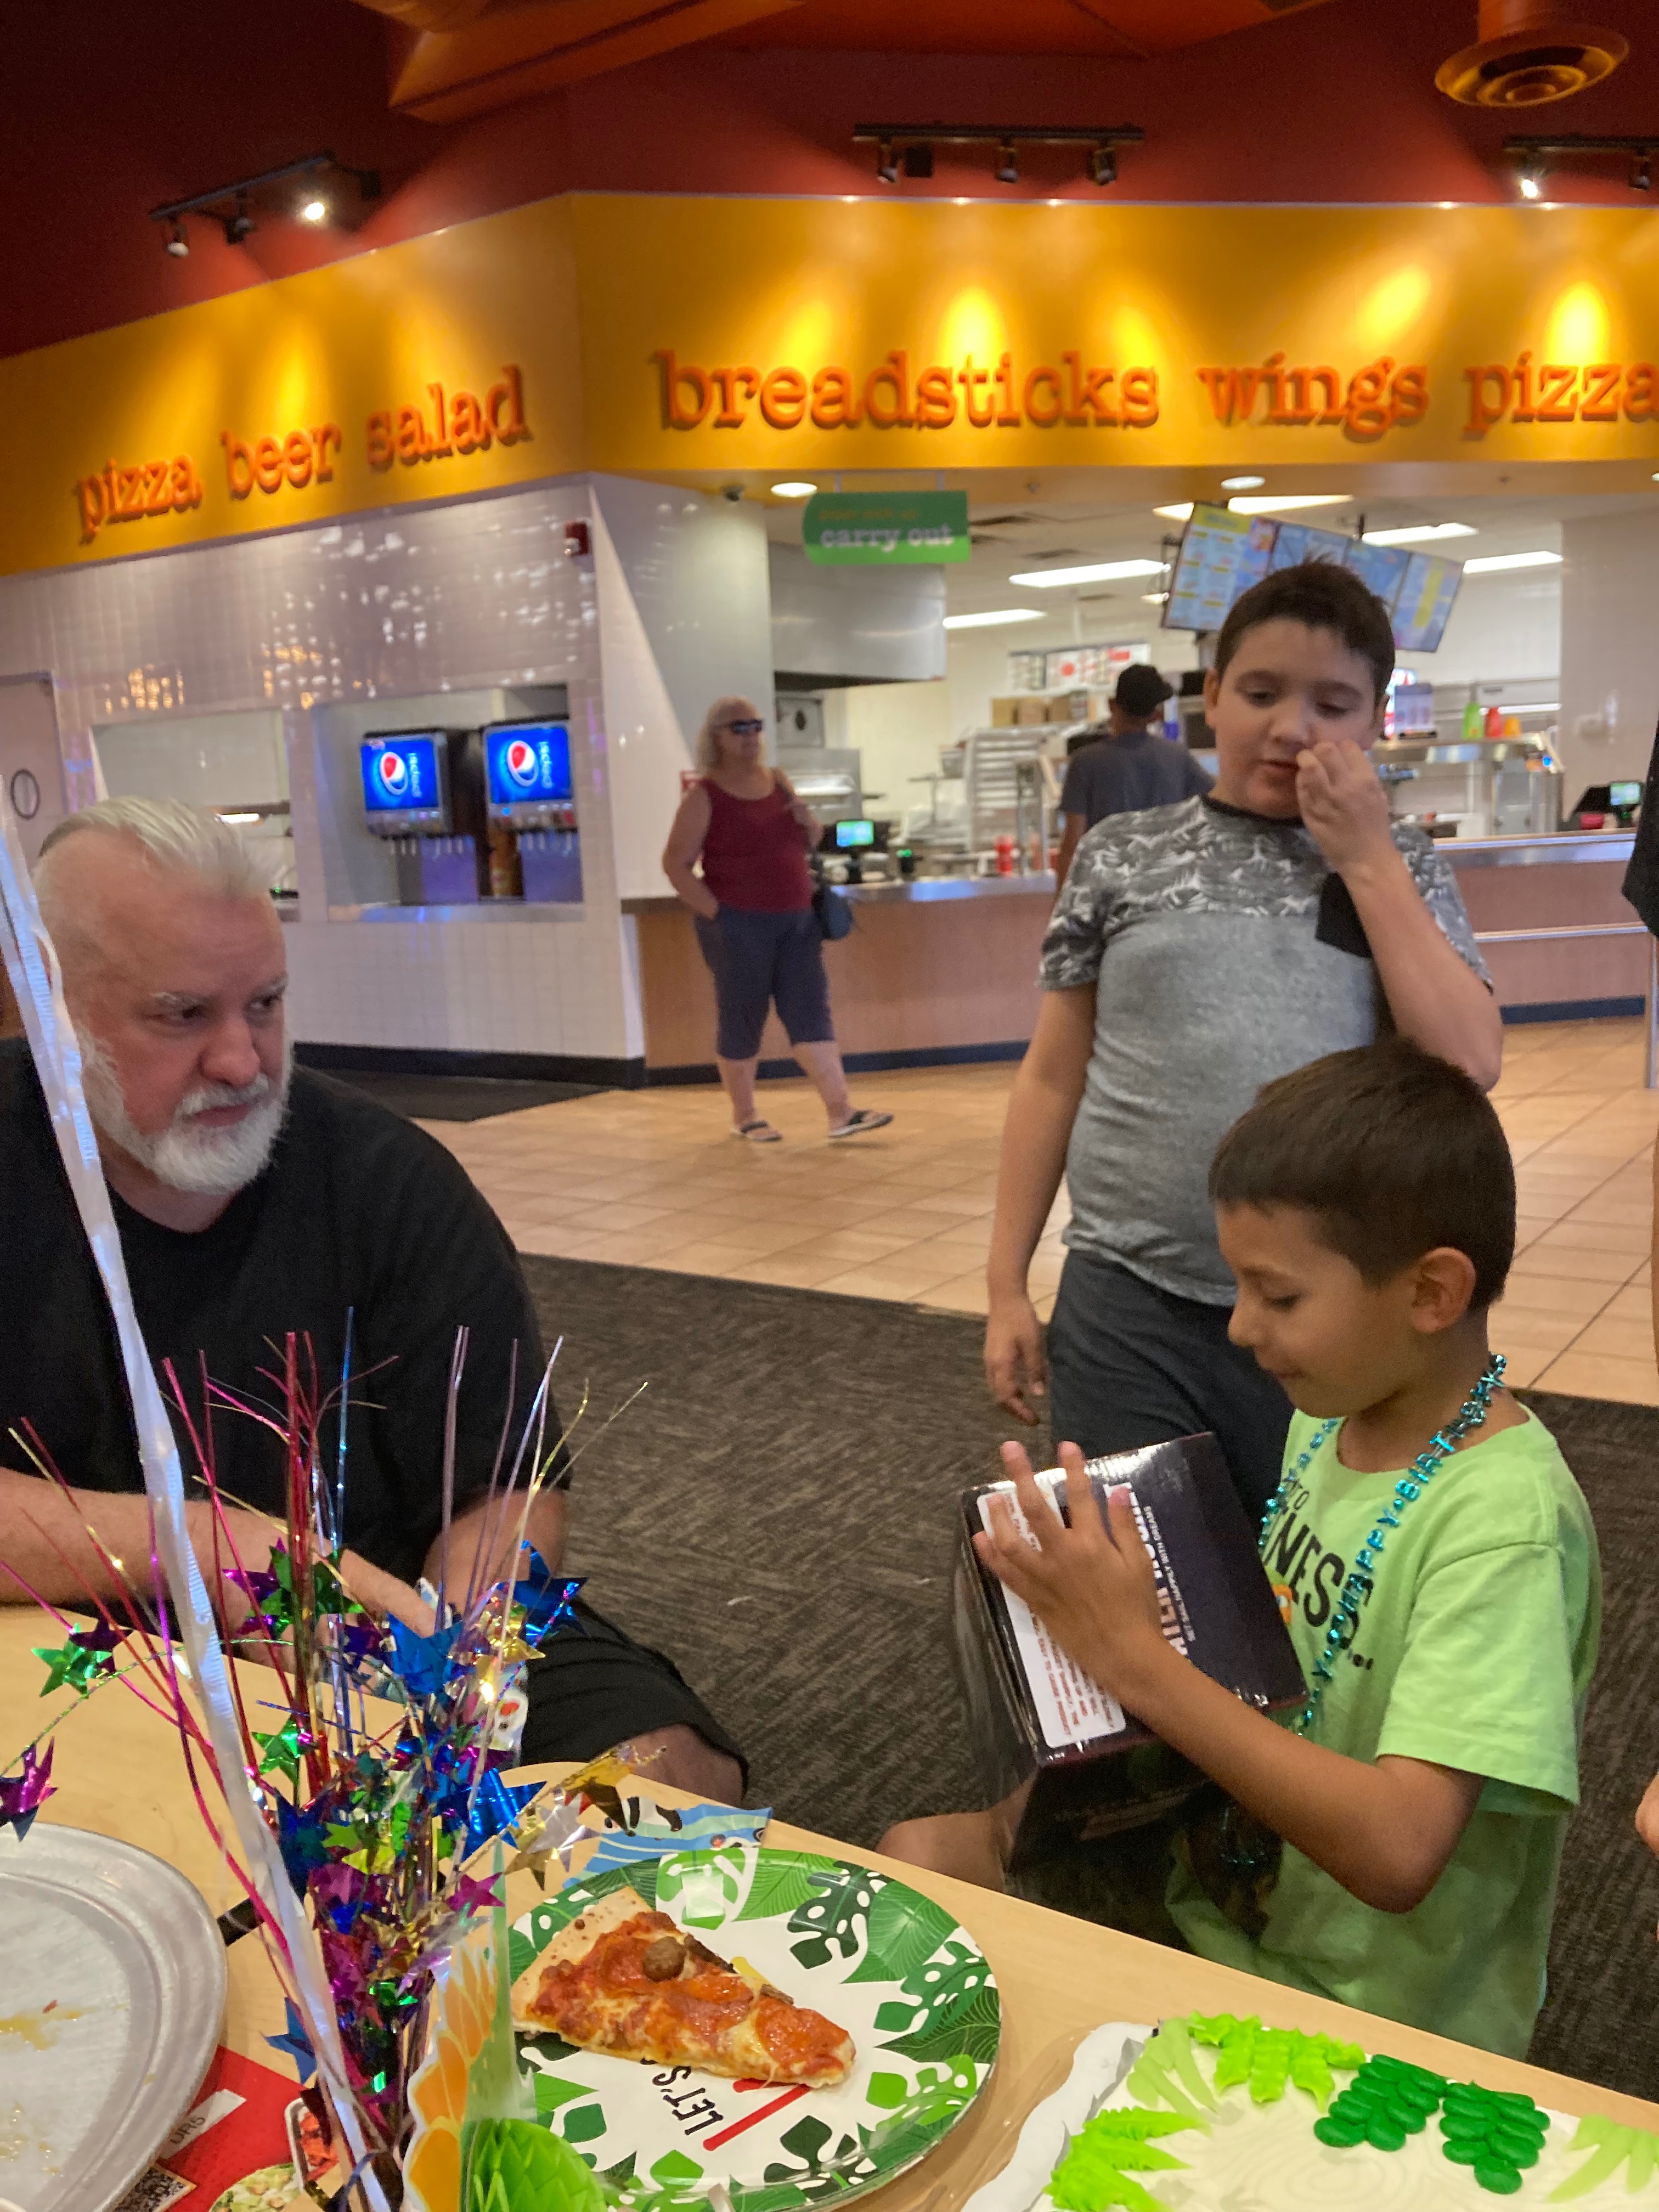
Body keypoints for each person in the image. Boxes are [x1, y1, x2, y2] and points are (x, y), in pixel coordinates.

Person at [0, 798, 743, 1799]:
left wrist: (460, 1665)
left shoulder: (387, 1178)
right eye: (184, 1015)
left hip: (381, 1615)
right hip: (68, 1623)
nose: (243, 1061)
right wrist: (224, 1548)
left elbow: (503, 1483)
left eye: (265, 1004)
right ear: (47, 1001)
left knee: (660, 1777)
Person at [898, 1040, 1601, 2061]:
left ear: (1430, 1293)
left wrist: (1134, 1657)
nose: (1237, 1327)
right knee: (920, 1859)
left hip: (1363, 2015)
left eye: (1278, 1297)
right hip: (1222, 1896)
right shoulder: (1328, 1418)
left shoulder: (1505, 1527)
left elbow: (1398, 1851)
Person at [985, 561, 1502, 1519]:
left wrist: (1365, 857)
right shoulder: (1120, 855)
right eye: (1261, 693)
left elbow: (1467, 1064)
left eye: (1332, 704)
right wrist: (1005, 1284)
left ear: (1374, 720)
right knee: (1140, 1562)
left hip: (1331, 1302)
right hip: (1127, 1296)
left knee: (1301, 1569)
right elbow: (1052, 1076)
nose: (1292, 727)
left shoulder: (1401, 864)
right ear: (1212, 696)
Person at [661, 695, 890, 1143]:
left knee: (811, 1011)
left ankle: (841, 1112)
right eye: (739, 728)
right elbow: (675, 864)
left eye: (756, 726)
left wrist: (810, 824)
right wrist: (718, 914)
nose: (750, 736)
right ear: (717, 738)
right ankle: (745, 1115)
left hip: (797, 920)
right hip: (739, 924)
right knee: (743, 1015)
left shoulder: (778, 781)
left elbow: (807, 840)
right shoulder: (704, 796)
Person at [1052, 665, 1211, 888]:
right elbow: (1217, 806)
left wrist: (1061, 901)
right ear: (1156, 715)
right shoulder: (1178, 757)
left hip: (1108, 887)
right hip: (1167, 885)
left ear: (1111, 705)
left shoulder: (1084, 763)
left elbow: (1072, 845)